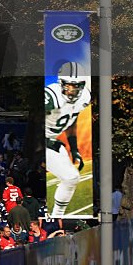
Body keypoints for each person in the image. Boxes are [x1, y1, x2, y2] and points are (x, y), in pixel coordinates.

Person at [45, 62, 92, 216]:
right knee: (71, 177)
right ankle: (56, 216)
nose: (71, 90)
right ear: (61, 83)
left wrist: (74, 149)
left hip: (54, 143)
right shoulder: (52, 96)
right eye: (68, 85)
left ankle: (57, 215)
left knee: (72, 179)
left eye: (76, 86)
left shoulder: (84, 96)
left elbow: (72, 121)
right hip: (44, 143)